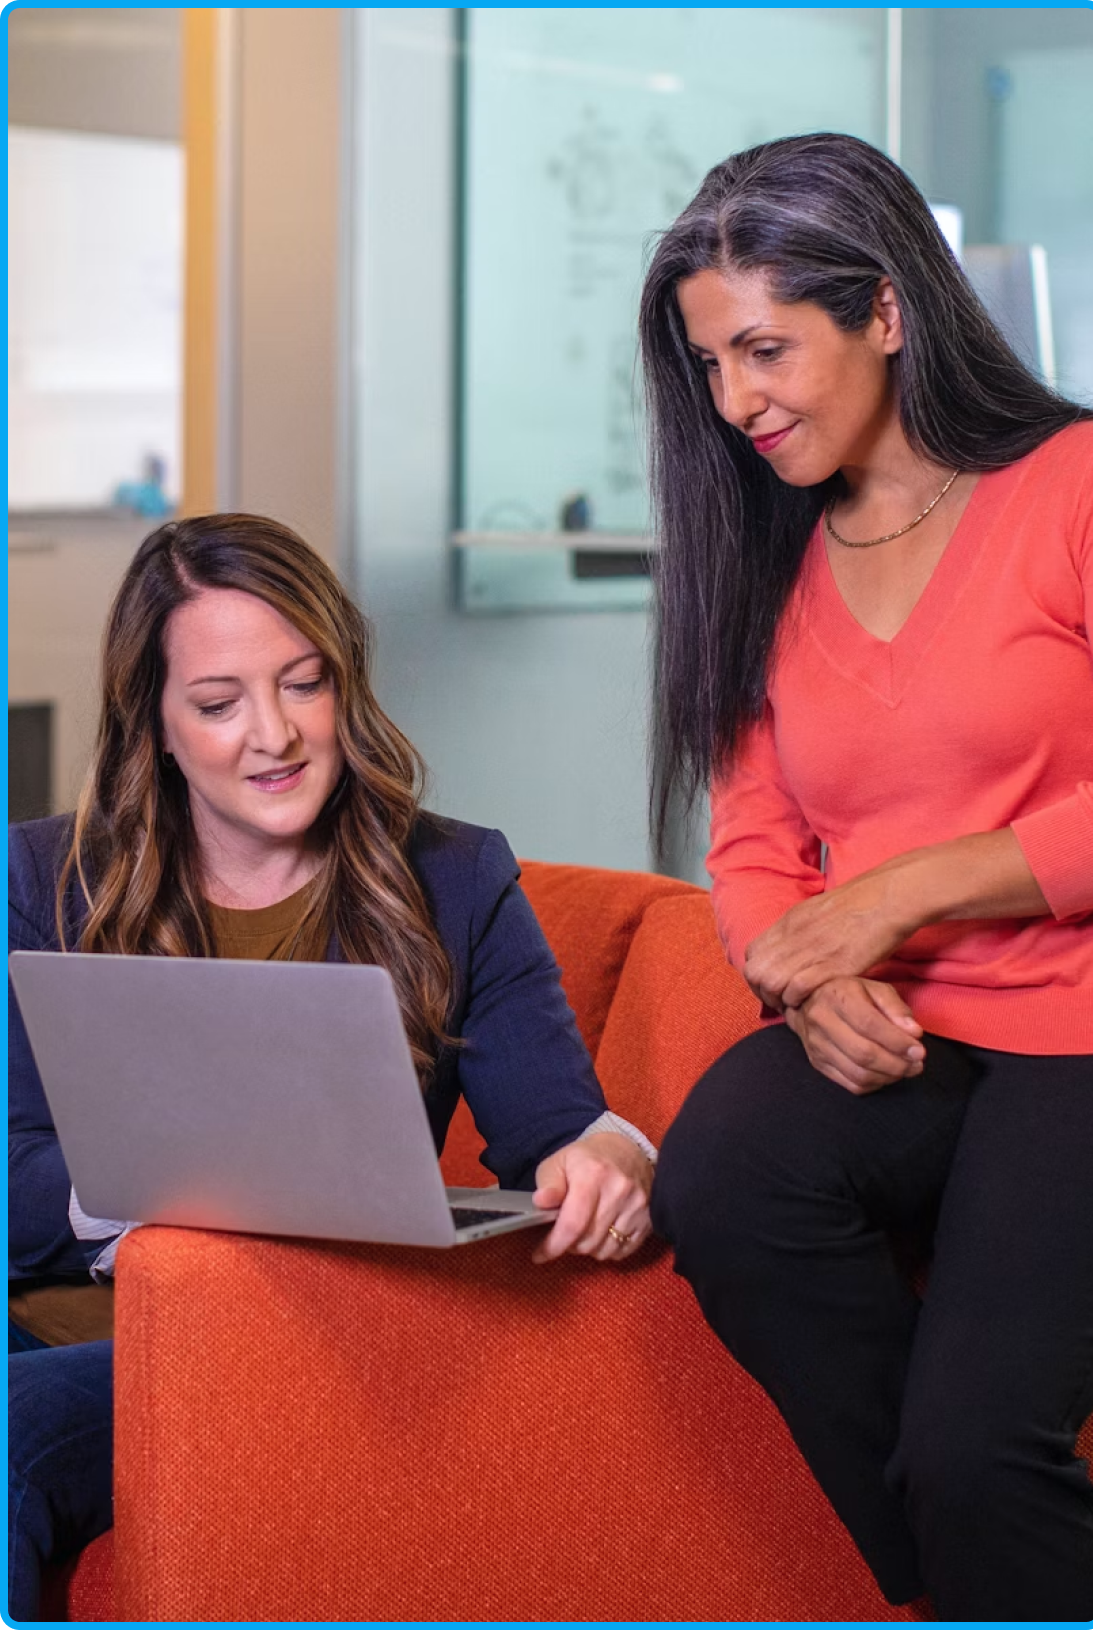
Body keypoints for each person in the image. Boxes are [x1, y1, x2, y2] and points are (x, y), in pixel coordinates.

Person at [8, 512, 656, 1619]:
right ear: (154, 723)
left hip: (301, 1336)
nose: (273, 735)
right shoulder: (44, 877)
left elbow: (556, 1128)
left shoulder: (454, 877)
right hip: (71, 1314)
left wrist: (613, 1153)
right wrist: (139, 1188)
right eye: (217, 704)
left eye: (302, 685)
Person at [640, 133, 1093, 1620]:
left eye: (766, 348)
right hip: (907, 1032)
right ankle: (980, 1566)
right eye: (712, 364)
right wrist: (802, 966)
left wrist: (900, 896)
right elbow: (753, 837)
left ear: (887, 311)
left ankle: (969, 1509)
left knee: (970, 1451)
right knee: (718, 1172)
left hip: (1078, 1034)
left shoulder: (1072, 485)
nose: (736, 401)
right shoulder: (764, 552)